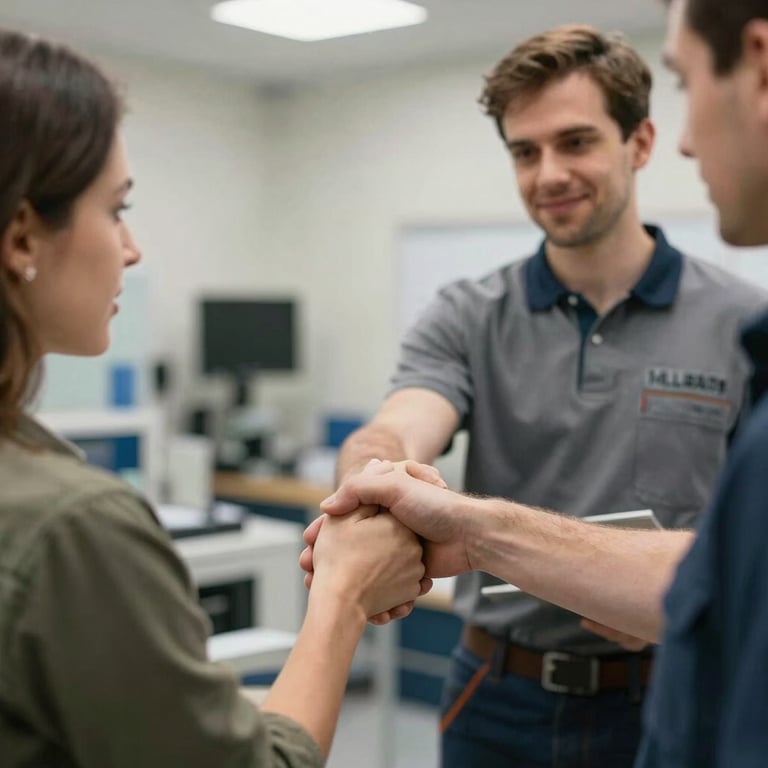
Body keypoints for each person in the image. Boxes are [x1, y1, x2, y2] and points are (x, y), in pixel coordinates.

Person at [310, 2, 768, 764]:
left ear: (641, 142)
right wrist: (368, 489)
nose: (549, 174)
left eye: (576, 142)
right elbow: (396, 426)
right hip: (499, 695)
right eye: (525, 152)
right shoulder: (468, 313)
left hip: (672, 686)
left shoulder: (742, 320)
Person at [0, 29, 430, 768]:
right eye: (116, 209)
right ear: (22, 237)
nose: (131, 250)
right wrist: (342, 594)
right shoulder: (75, 527)